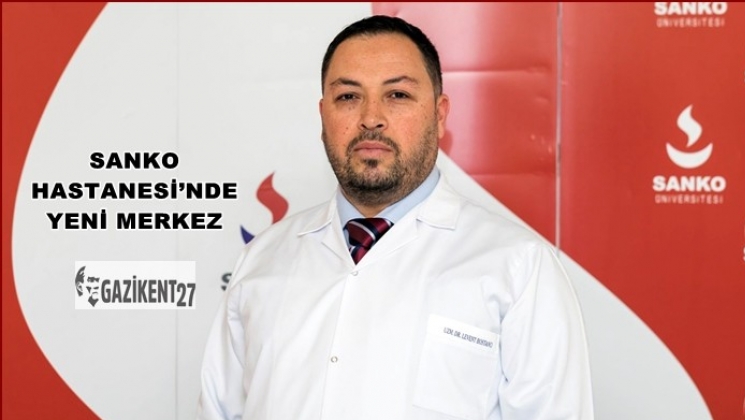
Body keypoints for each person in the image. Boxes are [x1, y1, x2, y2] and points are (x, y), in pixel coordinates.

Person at [198, 15, 594, 420]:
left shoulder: (518, 266)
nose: (371, 117)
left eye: (398, 95)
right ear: (323, 116)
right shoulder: (262, 259)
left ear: (439, 115)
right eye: (348, 96)